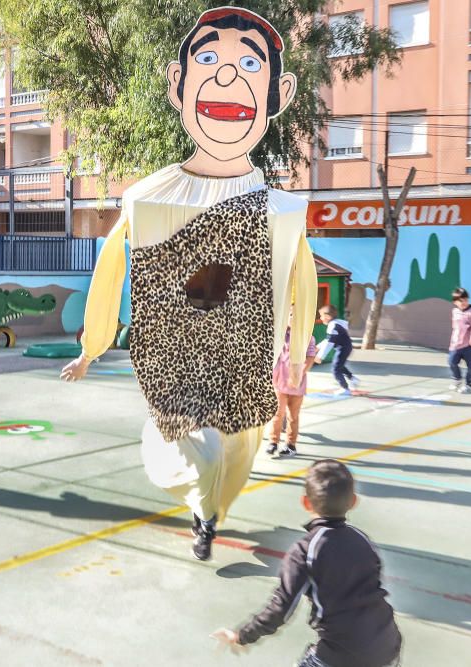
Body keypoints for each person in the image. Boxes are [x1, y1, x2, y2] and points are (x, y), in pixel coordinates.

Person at [59, 8, 318, 561]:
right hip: (173, 359)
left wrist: (295, 355)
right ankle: (204, 512)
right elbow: (111, 270)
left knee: (235, 458)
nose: (227, 78)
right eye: (208, 59)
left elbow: (303, 283)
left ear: (280, 92)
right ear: (178, 86)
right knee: (186, 450)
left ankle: (210, 512)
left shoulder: (282, 211)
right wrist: (91, 348)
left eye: (249, 64)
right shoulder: (148, 198)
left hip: (243, 363)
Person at [212, 460, 402, 667]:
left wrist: (241, 635)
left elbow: (281, 609)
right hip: (388, 644)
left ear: (306, 502)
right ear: (353, 501)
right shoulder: (363, 540)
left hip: (340, 655)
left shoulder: (305, 551)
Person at [267, 327, 317, 458]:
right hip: (279, 383)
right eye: (289, 314)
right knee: (278, 414)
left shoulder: (307, 337)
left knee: (293, 416)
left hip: (296, 385)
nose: (292, 317)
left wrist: (296, 376)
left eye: (294, 314)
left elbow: (311, 357)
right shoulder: (279, 334)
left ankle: (290, 445)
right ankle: (273, 442)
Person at [315, 304, 359, 396]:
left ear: (327, 317)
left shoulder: (333, 326)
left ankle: (345, 388)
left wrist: (320, 356)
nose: (321, 318)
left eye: (321, 316)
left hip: (343, 348)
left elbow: (329, 343)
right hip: (345, 347)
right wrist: (318, 347)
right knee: (339, 365)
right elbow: (328, 339)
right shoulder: (336, 323)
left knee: (335, 369)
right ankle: (352, 378)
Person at [448, 287, 471, 394]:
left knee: (470, 367)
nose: (464, 302)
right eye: (460, 300)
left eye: (465, 299)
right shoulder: (454, 311)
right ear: (455, 302)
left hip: (469, 346)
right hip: (455, 344)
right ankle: (457, 378)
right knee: (451, 362)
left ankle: (468, 384)